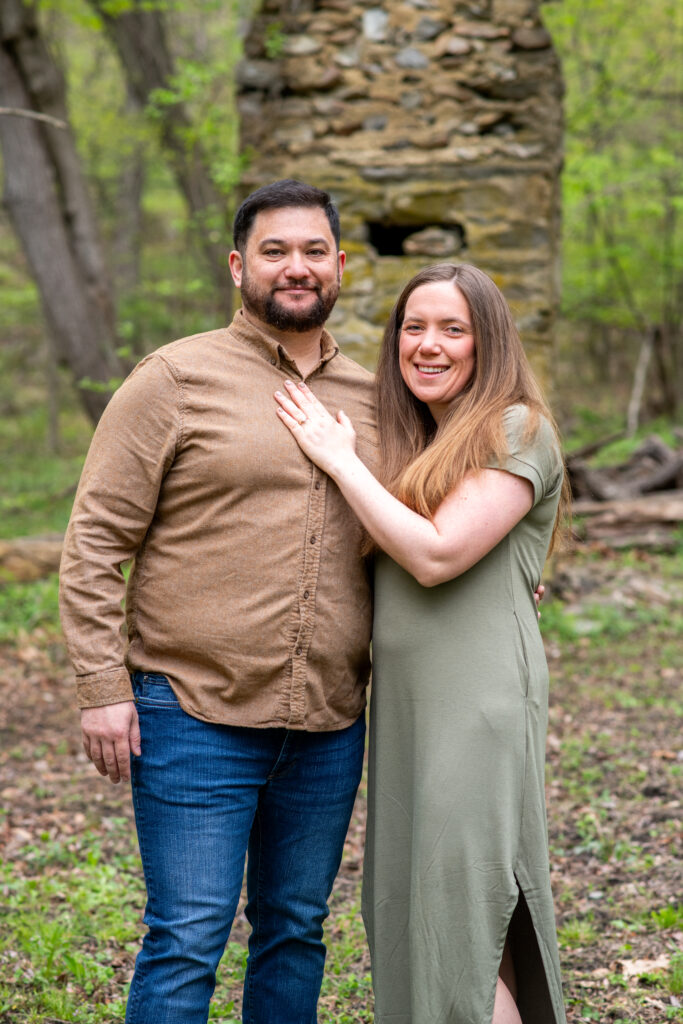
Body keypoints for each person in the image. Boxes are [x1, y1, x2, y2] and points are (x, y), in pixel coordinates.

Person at [58, 180, 380, 1024]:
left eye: (313, 250)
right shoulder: (173, 379)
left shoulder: (381, 397)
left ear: (341, 265)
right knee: (187, 936)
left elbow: (430, 520)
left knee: (295, 930)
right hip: (190, 714)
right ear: (239, 266)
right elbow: (94, 543)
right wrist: (101, 688)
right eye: (274, 251)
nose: (296, 267)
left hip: (328, 723)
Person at [274, 262, 569, 1024]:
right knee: (443, 918)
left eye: (452, 329)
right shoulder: (422, 440)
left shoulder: (515, 426)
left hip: (475, 707)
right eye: (413, 327)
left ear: (488, 342)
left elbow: (436, 555)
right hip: (411, 709)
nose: (427, 345)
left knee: (458, 933)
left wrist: (337, 460)